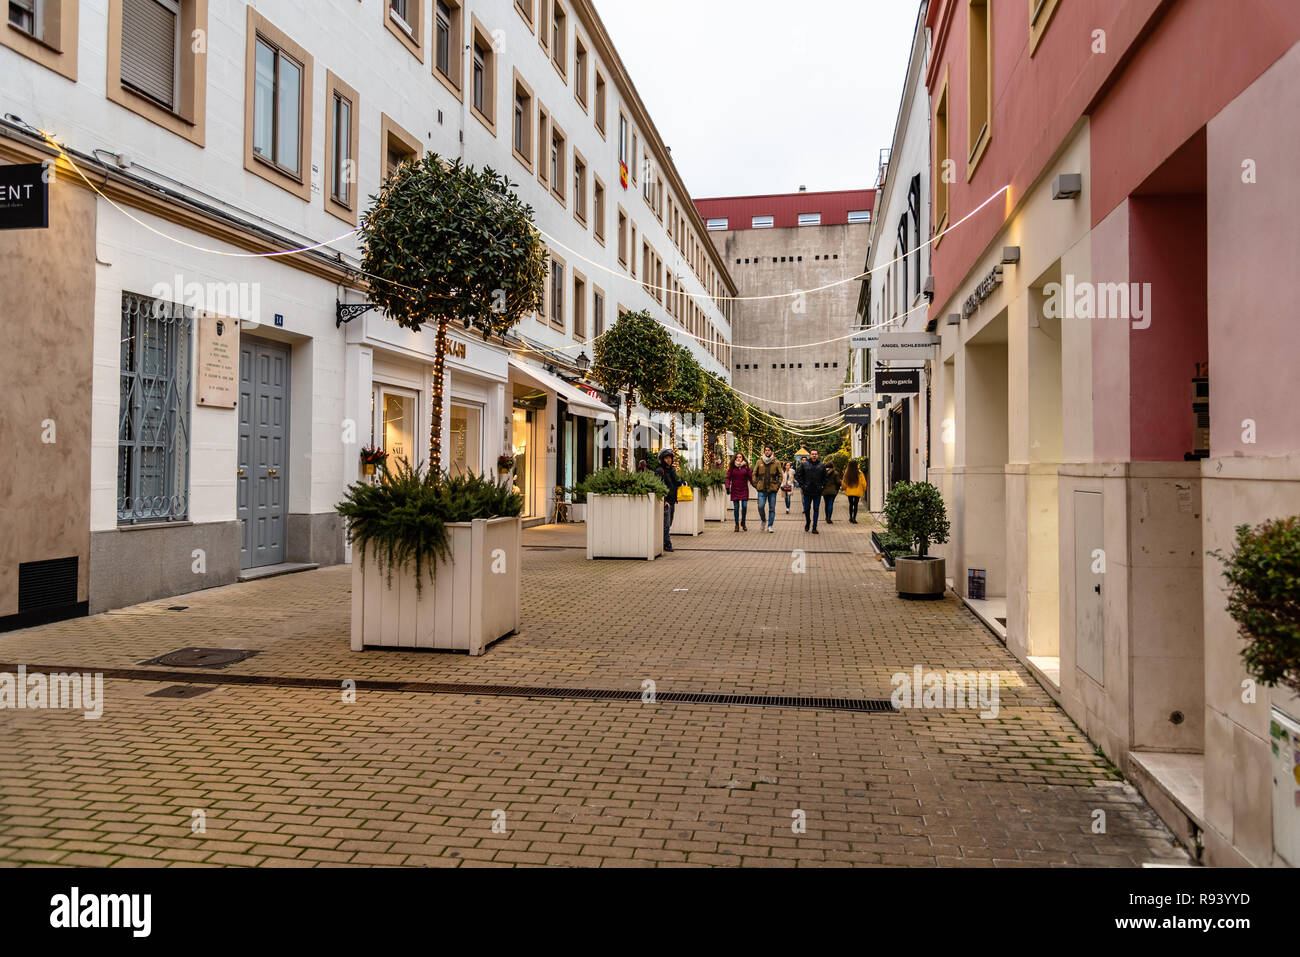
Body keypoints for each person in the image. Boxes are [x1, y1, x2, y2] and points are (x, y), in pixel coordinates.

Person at [653, 449, 680, 552]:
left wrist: (681, 482)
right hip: (666, 502)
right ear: (662, 459)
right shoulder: (660, 471)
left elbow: (675, 482)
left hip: (672, 500)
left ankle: (663, 541)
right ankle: (667, 544)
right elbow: (658, 485)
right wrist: (664, 500)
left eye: (670, 458)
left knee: (669, 523)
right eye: (666, 458)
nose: (669, 460)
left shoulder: (672, 470)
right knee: (666, 524)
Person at [795, 449, 827, 534]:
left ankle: (814, 527)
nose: (814, 455)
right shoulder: (804, 464)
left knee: (816, 509)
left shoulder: (822, 465)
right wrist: (803, 485)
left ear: (818, 455)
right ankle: (808, 521)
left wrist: (822, 486)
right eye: (812, 454)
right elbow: (798, 475)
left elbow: (825, 478)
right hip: (807, 491)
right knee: (806, 509)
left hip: (817, 492)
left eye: (815, 454)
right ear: (810, 455)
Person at [752, 445, 782, 533]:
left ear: (772, 451)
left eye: (768, 450)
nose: (767, 452)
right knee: (760, 506)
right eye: (765, 450)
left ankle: (770, 525)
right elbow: (754, 473)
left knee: (772, 508)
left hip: (772, 489)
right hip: (761, 489)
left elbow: (780, 475)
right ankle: (763, 520)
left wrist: (777, 486)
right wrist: (755, 484)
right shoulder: (759, 461)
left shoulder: (776, 462)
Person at [725, 453, 754, 531]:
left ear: (742, 458)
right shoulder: (732, 468)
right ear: (735, 458)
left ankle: (743, 522)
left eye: (740, 457)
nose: (738, 458)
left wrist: (755, 485)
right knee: (736, 508)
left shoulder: (746, 467)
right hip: (735, 489)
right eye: (737, 457)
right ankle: (736, 524)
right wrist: (727, 487)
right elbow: (727, 478)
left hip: (744, 489)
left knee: (744, 506)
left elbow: (750, 477)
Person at [841, 459, 866, 524]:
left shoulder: (847, 473)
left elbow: (844, 482)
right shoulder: (860, 473)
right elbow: (863, 483)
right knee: (856, 505)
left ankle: (850, 518)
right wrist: (864, 489)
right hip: (858, 491)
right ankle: (854, 518)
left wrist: (843, 488)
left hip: (850, 491)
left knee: (851, 504)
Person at [822, 460, 840, 525]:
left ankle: (826, 517)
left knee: (826, 504)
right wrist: (837, 489)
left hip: (825, 491)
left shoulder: (823, 473)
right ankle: (829, 518)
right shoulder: (835, 473)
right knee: (830, 504)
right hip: (833, 491)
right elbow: (838, 482)